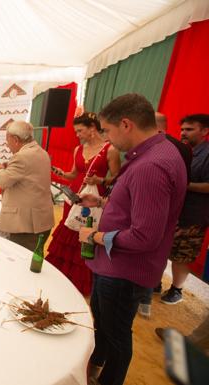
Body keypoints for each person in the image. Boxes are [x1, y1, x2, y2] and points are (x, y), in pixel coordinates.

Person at [78, 94, 187, 385]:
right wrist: (102, 204)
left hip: (124, 270)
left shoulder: (151, 166)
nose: (108, 140)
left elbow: (145, 235)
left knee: (116, 335)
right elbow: (138, 209)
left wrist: (96, 235)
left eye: (109, 131)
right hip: (117, 266)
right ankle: (96, 363)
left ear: (126, 124)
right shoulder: (157, 152)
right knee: (104, 324)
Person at [46, 112, 120, 295]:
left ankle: (80, 282)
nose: (77, 135)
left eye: (80, 131)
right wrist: (60, 172)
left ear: (92, 128)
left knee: (87, 237)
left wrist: (100, 180)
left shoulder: (111, 150)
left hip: (94, 201)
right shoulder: (78, 149)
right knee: (69, 233)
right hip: (74, 198)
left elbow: (118, 178)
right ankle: (62, 277)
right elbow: (73, 174)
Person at [137, 112, 193, 318]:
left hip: (154, 209)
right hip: (170, 212)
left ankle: (144, 298)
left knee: (145, 254)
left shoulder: (156, 150)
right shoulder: (181, 149)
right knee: (156, 254)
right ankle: (150, 293)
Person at [159, 114, 209, 305]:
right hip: (174, 212)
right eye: (182, 129)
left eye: (189, 129)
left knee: (182, 255)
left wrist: (184, 185)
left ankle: (176, 290)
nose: (183, 133)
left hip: (194, 216)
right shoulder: (182, 150)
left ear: (204, 131)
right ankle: (156, 282)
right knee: (163, 248)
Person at [0, 120, 54, 251]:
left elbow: (3, 182)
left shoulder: (22, 157)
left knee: (20, 264)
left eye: (7, 140)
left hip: (26, 226)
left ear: (15, 139)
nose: (7, 145)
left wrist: (0, 170)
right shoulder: (41, 152)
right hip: (40, 220)